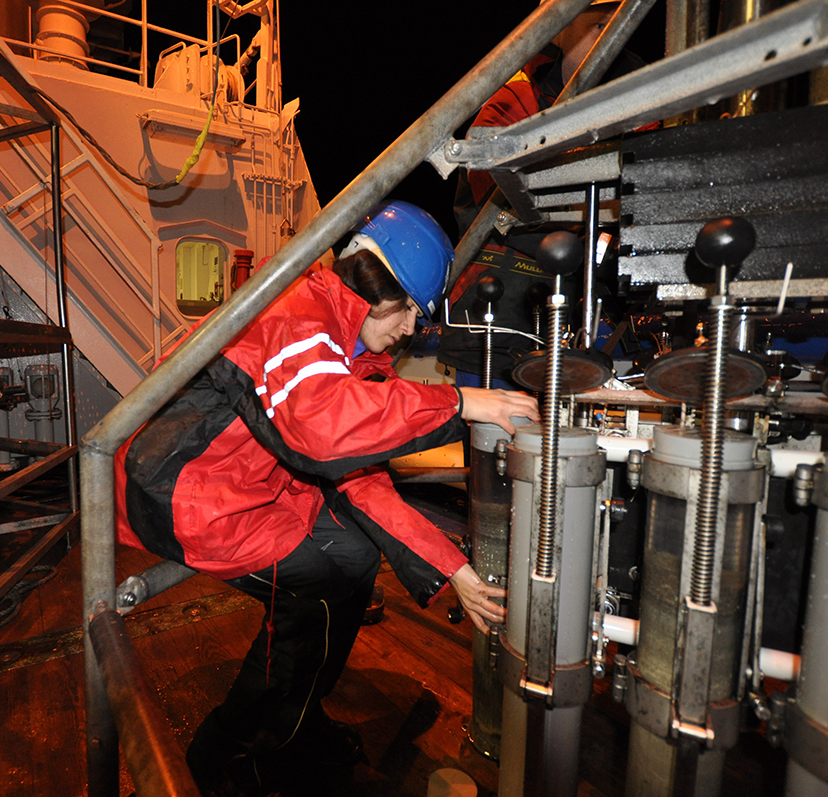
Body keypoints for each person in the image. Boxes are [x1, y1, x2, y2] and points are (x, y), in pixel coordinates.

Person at [114, 201, 539, 795]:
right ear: (378, 287)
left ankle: (297, 720)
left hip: (247, 486)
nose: (411, 330)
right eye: (410, 311)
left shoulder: (354, 352)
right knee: (314, 593)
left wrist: (456, 570)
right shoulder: (296, 309)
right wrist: (463, 404)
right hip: (180, 490)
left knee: (356, 560)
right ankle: (226, 752)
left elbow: (361, 477)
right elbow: (321, 431)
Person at [439, 0, 647, 387]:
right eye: (600, 26)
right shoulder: (516, 100)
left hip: (580, 323)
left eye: (619, 28)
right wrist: (590, 245)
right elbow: (493, 203)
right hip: (498, 321)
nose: (610, 42)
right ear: (560, 30)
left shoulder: (642, 97)